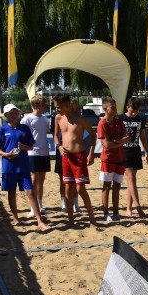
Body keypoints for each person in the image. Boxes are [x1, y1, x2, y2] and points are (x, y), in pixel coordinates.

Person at [0, 104, 47, 230]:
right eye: (10, 113)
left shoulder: (24, 128)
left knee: (30, 191)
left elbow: (31, 146)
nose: (13, 114)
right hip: (9, 166)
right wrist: (6, 154)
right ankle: (15, 218)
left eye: (15, 112)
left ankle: (39, 220)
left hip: (23, 166)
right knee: (12, 192)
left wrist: (24, 147)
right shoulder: (2, 130)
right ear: (5, 115)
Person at [52, 92, 98, 228]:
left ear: (67, 105)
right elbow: (55, 135)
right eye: (55, 107)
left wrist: (91, 152)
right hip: (66, 156)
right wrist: (59, 146)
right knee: (67, 190)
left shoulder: (80, 119)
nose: (57, 109)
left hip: (79, 156)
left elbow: (93, 134)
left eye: (59, 107)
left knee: (80, 190)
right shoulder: (58, 118)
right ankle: (71, 221)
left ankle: (92, 220)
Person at [96, 97, 129, 221]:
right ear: (105, 109)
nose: (115, 109)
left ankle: (115, 212)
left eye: (115, 107)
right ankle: (105, 213)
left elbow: (128, 138)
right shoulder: (102, 123)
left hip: (120, 157)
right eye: (112, 107)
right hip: (108, 159)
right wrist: (120, 142)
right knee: (106, 186)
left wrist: (115, 141)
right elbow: (107, 145)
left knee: (117, 186)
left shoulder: (119, 122)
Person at [120, 97, 148, 217]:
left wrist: (146, 151)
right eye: (132, 111)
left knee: (130, 182)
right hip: (123, 151)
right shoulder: (120, 118)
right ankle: (138, 206)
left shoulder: (140, 119)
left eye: (136, 111)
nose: (134, 113)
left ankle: (129, 208)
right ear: (127, 107)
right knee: (131, 178)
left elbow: (142, 136)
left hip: (135, 151)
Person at [21, 95, 50, 216]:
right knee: (34, 178)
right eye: (43, 104)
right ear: (35, 105)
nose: (45, 106)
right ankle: (33, 207)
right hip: (32, 152)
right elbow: (22, 135)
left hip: (44, 152)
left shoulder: (45, 119)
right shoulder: (27, 119)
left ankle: (40, 204)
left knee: (41, 179)